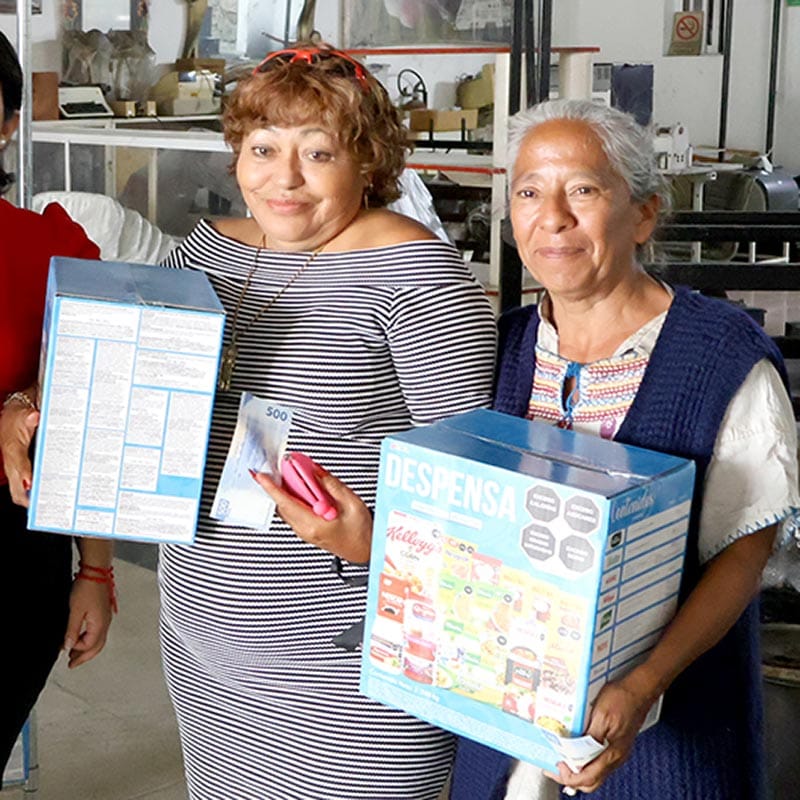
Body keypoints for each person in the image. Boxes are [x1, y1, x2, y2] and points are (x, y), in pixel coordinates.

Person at [157, 44, 497, 799]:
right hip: (203, 636)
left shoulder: (419, 276)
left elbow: (477, 499)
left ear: (368, 163)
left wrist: (372, 544)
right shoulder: (205, 252)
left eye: (318, 153)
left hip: (350, 656)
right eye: (263, 149)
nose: (284, 178)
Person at [446, 98, 800, 800]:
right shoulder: (503, 346)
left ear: (643, 214)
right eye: (528, 193)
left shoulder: (719, 355)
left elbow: (744, 550)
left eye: (582, 190)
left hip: (666, 735)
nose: (552, 217)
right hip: (510, 731)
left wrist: (644, 684)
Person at [0, 31, 115, 776]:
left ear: (8, 122)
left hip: (13, 557)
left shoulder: (49, 247)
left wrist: (96, 571)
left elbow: (93, 404)